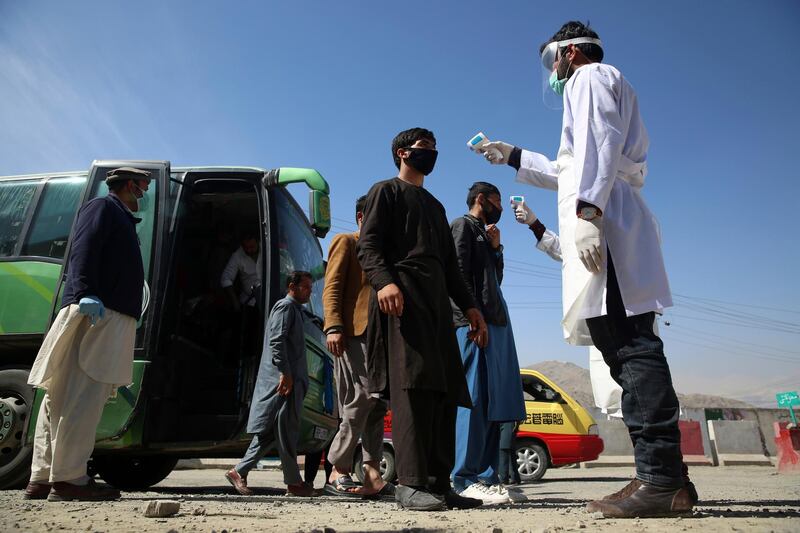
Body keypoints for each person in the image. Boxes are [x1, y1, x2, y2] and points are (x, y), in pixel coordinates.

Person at [478, 20, 695, 518]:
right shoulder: (595, 83)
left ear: (570, 52)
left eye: (552, 60)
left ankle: (661, 479)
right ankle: (663, 478)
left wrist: (590, 212)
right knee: (620, 346)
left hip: (609, 224)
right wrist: (512, 155)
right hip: (605, 216)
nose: (552, 72)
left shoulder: (590, 77)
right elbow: (572, 168)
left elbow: (598, 143)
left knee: (631, 347)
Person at [357, 127, 488, 511]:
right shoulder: (386, 191)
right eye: (423, 148)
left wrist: (470, 307)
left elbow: (451, 268)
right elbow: (368, 245)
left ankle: (437, 482)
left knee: (444, 389)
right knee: (412, 388)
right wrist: (384, 283)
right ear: (402, 153)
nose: (431, 154)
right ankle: (410, 484)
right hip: (402, 300)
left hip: (437, 309)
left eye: (434, 148)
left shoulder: (436, 206)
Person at [25, 166, 152, 501]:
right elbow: (83, 247)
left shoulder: (120, 215)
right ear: (128, 186)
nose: (144, 196)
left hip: (100, 312)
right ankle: (68, 479)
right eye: (143, 189)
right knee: (84, 393)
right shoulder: (104, 207)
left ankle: (42, 477)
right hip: (99, 314)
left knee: (62, 394)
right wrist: (84, 292)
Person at [449, 182, 526, 505]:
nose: (501, 208)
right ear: (481, 199)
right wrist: (472, 318)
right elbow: (458, 275)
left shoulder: (485, 233)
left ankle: (487, 476)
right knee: (474, 399)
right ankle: (463, 478)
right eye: (496, 201)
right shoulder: (461, 226)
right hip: (474, 324)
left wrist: (496, 249)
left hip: (496, 324)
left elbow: (494, 280)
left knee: (498, 404)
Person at [322, 195, 392, 498]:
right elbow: (332, 286)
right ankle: (338, 469)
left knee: (378, 404)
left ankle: (372, 472)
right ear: (362, 217)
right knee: (359, 398)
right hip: (352, 333)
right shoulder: (346, 242)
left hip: (380, 337)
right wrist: (334, 326)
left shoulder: (382, 253)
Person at [225, 271, 316, 498]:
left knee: (269, 434)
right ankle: (294, 484)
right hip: (284, 384)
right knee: (286, 432)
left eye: (310, 288)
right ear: (292, 286)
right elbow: (277, 341)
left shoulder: (296, 310)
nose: (309, 292)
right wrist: (285, 373)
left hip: (289, 383)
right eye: (305, 287)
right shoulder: (285, 307)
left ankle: (239, 471)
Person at [497, 421, 521, 486]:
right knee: (509, 452)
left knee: (503, 450)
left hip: (507, 421)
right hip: (507, 421)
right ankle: (514, 478)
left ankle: (504, 479)